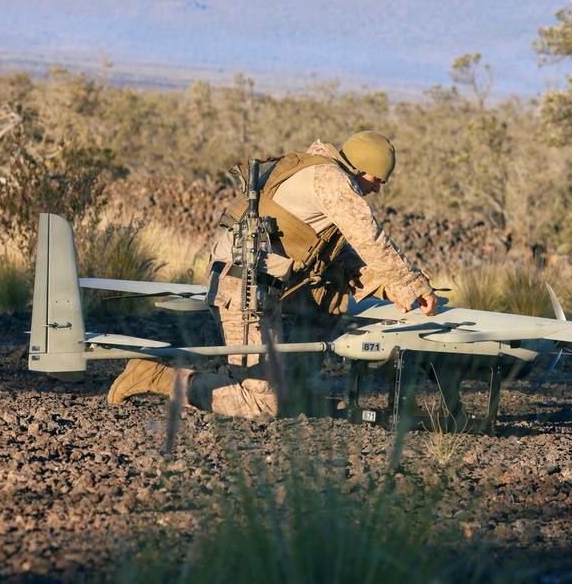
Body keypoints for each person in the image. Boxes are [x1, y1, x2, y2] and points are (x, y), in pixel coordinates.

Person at [106, 131, 439, 420]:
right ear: (362, 167)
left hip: (262, 285)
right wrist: (413, 286)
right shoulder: (332, 180)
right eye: (378, 180)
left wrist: (387, 288)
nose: (378, 190)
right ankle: (156, 376)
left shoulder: (322, 174)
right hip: (244, 286)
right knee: (259, 405)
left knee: (282, 389)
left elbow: (341, 256)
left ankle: (288, 392)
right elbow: (370, 238)